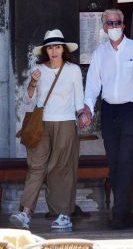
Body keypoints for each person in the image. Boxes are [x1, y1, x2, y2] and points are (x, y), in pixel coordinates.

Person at [83, 9, 133, 229]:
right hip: (109, 111)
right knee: (114, 163)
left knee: (125, 161)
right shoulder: (99, 53)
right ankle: (124, 214)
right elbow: (92, 87)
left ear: (124, 25)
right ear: (104, 27)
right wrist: (87, 110)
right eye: (110, 23)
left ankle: (119, 216)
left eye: (118, 22)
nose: (114, 26)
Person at [10, 29, 87, 229]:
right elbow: (28, 100)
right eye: (50, 47)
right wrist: (33, 82)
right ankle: (25, 212)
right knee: (36, 166)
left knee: (62, 169)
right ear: (46, 50)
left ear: (63, 49)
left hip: (66, 123)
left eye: (57, 47)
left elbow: (79, 100)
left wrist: (83, 114)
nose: (54, 51)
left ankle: (62, 215)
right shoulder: (39, 70)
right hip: (41, 124)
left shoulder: (73, 70)